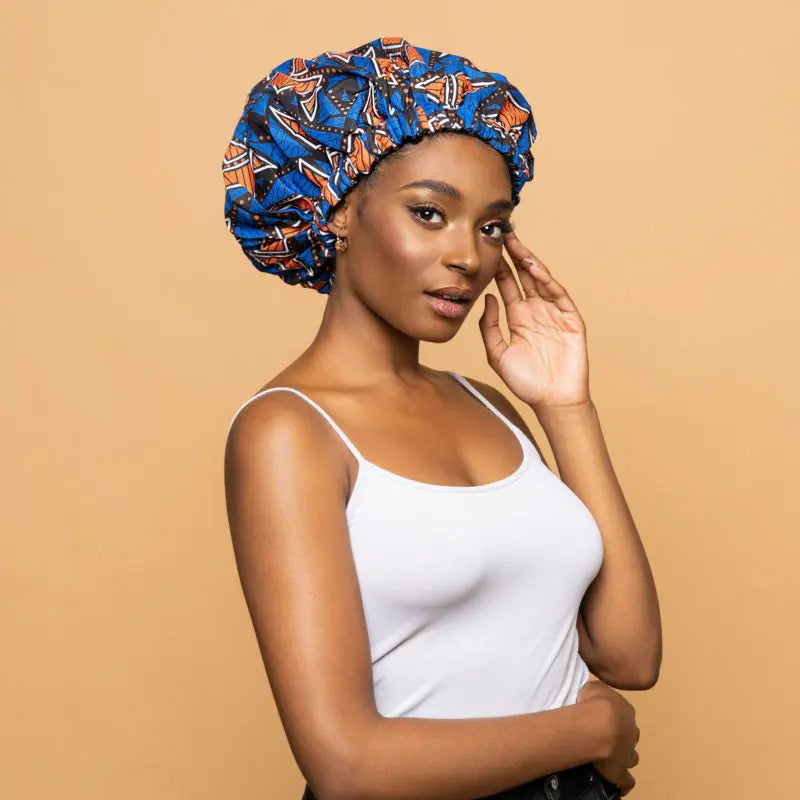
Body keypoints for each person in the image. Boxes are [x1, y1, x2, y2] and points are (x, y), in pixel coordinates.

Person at [222, 36, 660, 800]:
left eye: (491, 226)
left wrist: (566, 407)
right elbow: (346, 766)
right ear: (339, 211)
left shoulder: (488, 406)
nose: (468, 257)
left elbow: (629, 655)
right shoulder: (288, 432)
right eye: (429, 213)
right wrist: (588, 734)